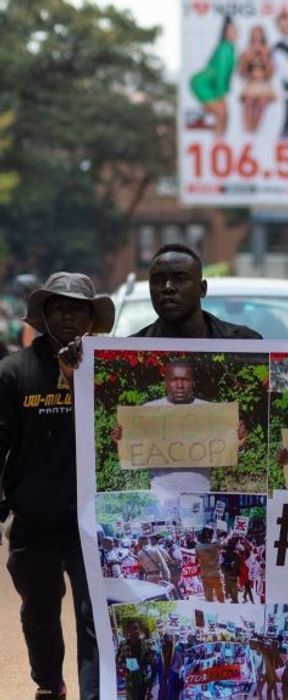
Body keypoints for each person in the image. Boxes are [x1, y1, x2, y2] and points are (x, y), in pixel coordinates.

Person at [0, 272, 109, 700]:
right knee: (39, 613)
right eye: (59, 308)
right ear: (43, 315)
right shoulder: (13, 373)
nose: (68, 316)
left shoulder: (104, 370)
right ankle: (49, 683)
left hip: (90, 522)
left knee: (93, 614)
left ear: (90, 317)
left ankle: (95, 693)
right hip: (32, 519)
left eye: (78, 308)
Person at [110, 359, 248, 494]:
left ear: (193, 382)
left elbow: (221, 449)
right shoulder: (148, 411)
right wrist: (121, 441)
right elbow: (132, 451)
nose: (180, 385)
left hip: (200, 492)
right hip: (160, 493)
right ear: (166, 382)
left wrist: (238, 443)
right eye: (174, 379)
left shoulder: (208, 411)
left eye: (185, 380)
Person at [133, 244, 263, 339]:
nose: (167, 287)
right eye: (157, 280)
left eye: (180, 279)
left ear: (202, 289)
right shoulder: (129, 353)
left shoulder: (245, 344)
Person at [189, 16, 237, 137]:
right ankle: (216, 142)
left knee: (224, 114)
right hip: (203, 85)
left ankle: (220, 140)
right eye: (230, 30)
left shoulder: (231, 48)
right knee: (221, 113)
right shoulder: (225, 48)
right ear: (225, 33)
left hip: (212, 86)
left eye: (235, 30)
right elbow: (221, 73)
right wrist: (222, 94)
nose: (234, 33)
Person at [236, 24, 276, 133]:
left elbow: (271, 73)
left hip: (263, 84)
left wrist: (264, 57)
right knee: (248, 103)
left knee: (261, 103)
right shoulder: (245, 52)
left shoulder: (268, 51)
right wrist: (248, 58)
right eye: (255, 35)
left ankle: (255, 130)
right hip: (251, 83)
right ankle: (247, 130)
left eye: (259, 35)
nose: (257, 38)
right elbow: (241, 73)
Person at [195, 528, 226, 603]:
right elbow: (225, 543)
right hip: (216, 574)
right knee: (221, 598)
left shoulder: (198, 547)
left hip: (205, 575)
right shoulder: (216, 545)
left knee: (209, 600)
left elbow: (197, 560)